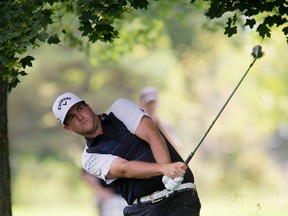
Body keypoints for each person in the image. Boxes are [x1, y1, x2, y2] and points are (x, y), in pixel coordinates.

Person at [52, 92, 201, 216]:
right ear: (68, 128)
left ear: (88, 107)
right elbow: (124, 169)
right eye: (71, 117)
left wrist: (169, 172)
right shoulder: (89, 158)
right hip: (142, 210)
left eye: (80, 108)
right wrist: (164, 169)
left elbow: (152, 134)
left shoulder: (120, 109)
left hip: (180, 198)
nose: (80, 117)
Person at [139, 87, 183, 153]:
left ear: (158, 104)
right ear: (141, 104)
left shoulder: (165, 126)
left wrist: (160, 125)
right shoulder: (136, 126)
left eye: (153, 103)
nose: (151, 107)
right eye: (148, 103)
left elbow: (178, 148)